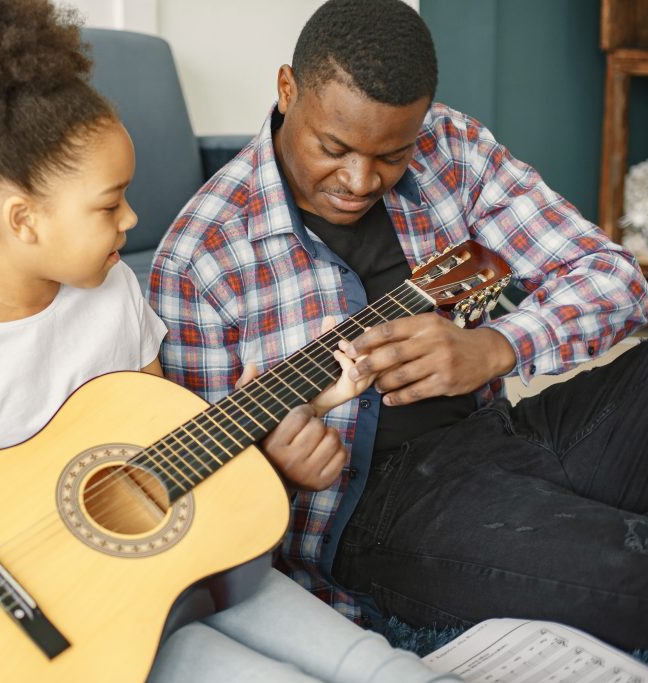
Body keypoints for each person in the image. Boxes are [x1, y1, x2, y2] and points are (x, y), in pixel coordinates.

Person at [0, 1, 457, 681]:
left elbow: (165, 448)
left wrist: (294, 412)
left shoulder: (117, 296)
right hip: (92, 630)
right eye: (109, 202)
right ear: (23, 218)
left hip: (186, 562)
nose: (132, 216)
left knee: (377, 662)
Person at [148, 0, 648, 652]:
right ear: (286, 89)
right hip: (373, 514)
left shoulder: (452, 149)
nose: (360, 180)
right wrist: (274, 470)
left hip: (502, 429)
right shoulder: (200, 260)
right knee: (629, 573)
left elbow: (616, 278)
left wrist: (498, 344)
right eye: (334, 148)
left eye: (392, 154)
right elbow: (194, 507)